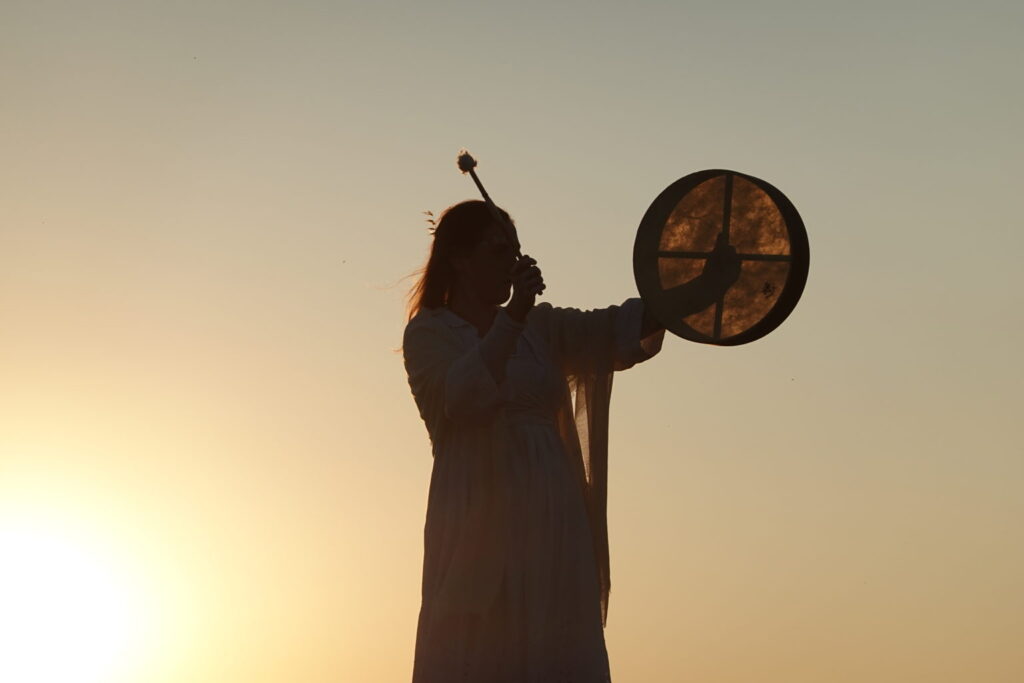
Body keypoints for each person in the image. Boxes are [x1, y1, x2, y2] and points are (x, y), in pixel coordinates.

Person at [403, 200, 737, 682]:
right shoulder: (430, 334)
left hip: (552, 521)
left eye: (517, 251)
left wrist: (705, 286)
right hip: (477, 524)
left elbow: (617, 329)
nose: (514, 263)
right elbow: (463, 397)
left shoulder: (543, 330)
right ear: (458, 257)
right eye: (499, 251)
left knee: (556, 646)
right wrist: (513, 313)